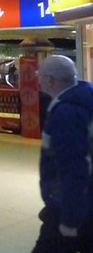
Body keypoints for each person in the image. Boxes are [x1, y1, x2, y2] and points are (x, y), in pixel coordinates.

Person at [32, 55, 93, 253]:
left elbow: (73, 168)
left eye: (39, 75)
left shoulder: (66, 113)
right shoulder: (84, 97)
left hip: (69, 205)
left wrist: (69, 219)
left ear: (50, 80)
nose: (38, 79)